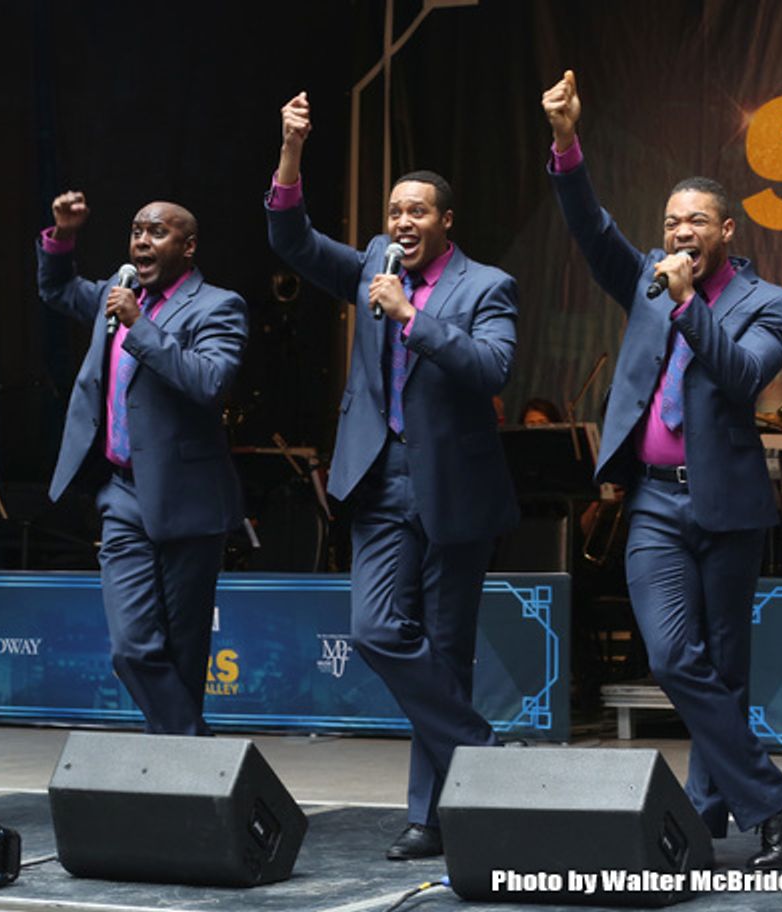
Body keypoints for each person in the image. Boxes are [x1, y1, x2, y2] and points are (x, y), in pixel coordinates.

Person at [542, 70, 782, 870]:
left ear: (726, 229)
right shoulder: (645, 281)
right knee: (671, 658)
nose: (679, 230)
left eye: (695, 220)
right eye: (669, 222)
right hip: (658, 505)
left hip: (728, 508)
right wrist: (566, 142)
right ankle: (778, 801)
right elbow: (591, 227)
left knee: (724, 669)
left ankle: (709, 810)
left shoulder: (772, 303)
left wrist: (692, 301)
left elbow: (739, 376)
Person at [267, 92, 520, 860]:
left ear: (446, 221)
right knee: (378, 630)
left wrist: (414, 317)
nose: (402, 223)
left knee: (445, 654)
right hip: (380, 480)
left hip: (455, 487)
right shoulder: (370, 266)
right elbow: (292, 241)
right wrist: (291, 151)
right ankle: (481, 754)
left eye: (416, 212)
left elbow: (492, 367)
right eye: (393, 211)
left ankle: (431, 817)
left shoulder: (486, 287)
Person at [36, 192, 247, 736]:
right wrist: (62, 235)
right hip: (121, 494)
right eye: (136, 231)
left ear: (189, 246)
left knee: (182, 650)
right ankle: (196, 749)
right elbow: (57, 288)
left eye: (157, 232)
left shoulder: (218, 306)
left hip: (188, 497)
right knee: (131, 647)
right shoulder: (116, 292)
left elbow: (209, 382)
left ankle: (183, 779)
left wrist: (139, 325)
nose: (141, 242)